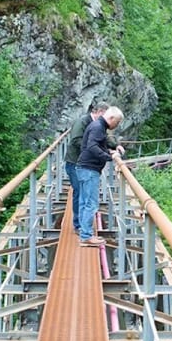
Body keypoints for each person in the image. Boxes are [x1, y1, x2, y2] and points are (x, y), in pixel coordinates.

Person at [76, 106, 124, 247]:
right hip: (89, 169)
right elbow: (92, 146)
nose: (118, 125)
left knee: (84, 202)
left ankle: (84, 232)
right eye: (118, 122)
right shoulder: (98, 127)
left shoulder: (97, 126)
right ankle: (86, 236)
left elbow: (96, 145)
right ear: (111, 118)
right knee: (91, 203)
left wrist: (109, 152)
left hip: (84, 168)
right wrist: (108, 157)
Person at [64, 102, 110, 233]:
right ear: (100, 112)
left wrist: (115, 144)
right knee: (79, 192)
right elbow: (75, 140)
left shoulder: (98, 125)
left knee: (83, 193)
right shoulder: (83, 121)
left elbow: (104, 139)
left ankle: (82, 225)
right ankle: (79, 225)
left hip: (84, 163)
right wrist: (92, 148)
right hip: (75, 162)